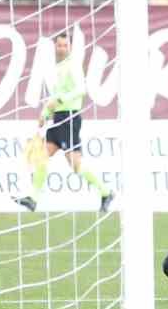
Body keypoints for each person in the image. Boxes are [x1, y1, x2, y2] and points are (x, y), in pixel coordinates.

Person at [13, 30, 114, 213]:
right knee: (41, 156)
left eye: (65, 45)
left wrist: (60, 100)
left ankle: (106, 192)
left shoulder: (73, 65)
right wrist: (45, 113)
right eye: (59, 45)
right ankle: (33, 199)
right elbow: (56, 95)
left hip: (70, 118)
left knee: (76, 165)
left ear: (70, 47)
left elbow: (81, 89)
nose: (61, 48)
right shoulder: (59, 67)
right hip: (58, 118)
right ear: (55, 46)